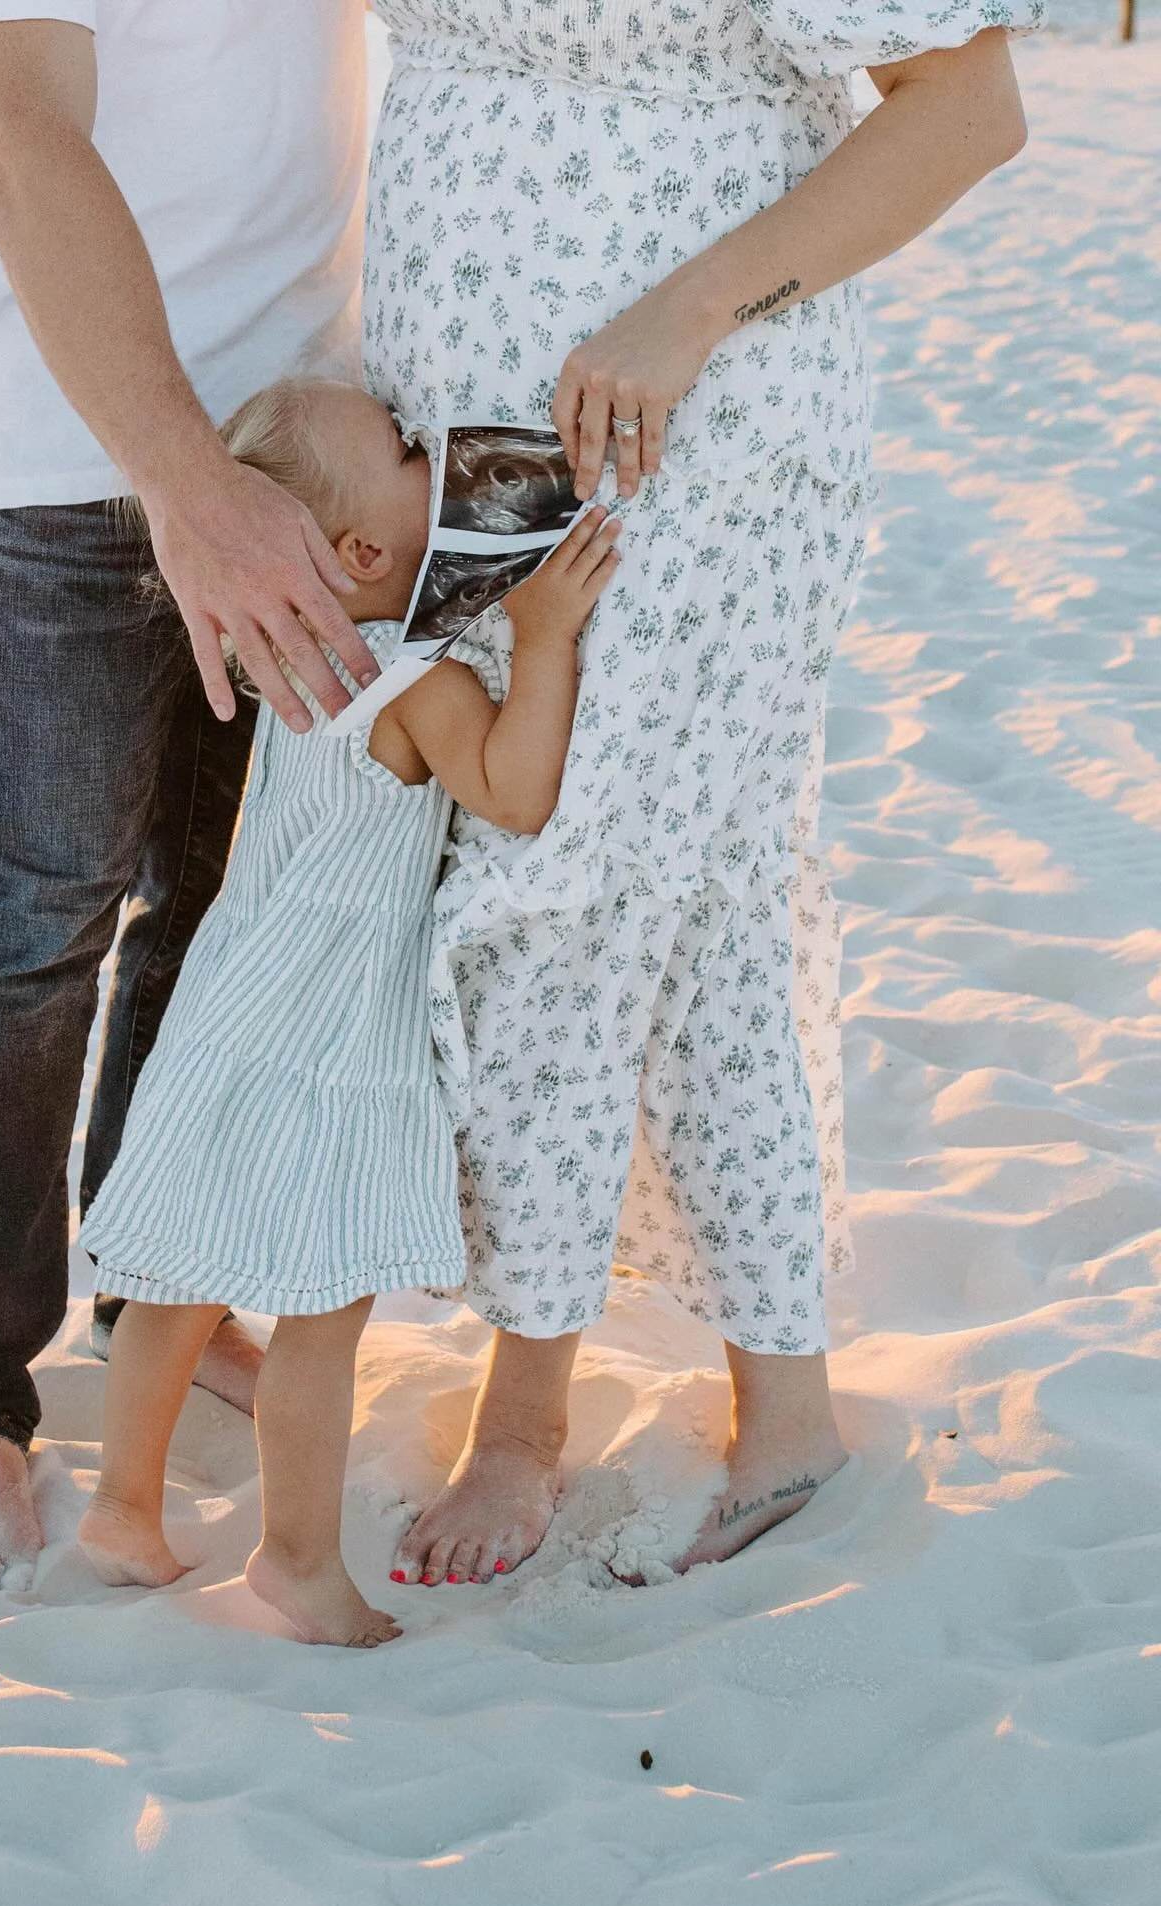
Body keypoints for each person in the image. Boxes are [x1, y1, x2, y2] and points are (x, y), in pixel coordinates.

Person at [362, 0, 1043, 1586]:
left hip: (687, 445)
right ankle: (774, 1400)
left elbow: (971, 109)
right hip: (465, 431)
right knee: (628, 879)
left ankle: (532, 1414)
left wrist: (691, 311)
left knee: (578, 884)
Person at [0, 0, 377, 1592]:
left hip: (299, 437)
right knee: (34, 922)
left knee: (219, 915)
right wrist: (187, 482)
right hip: (64, 452)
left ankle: (155, 1290)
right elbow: (15, 134)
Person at [74, 379, 622, 1647]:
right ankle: (298, 1562)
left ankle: (122, 1509)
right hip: (328, 1036)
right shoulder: (414, 682)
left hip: (231, 1009)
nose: (434, 452)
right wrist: (544, 634)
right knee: (322, 1319)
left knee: (178, 1280)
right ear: (367, 553)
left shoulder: (291, 659)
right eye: (408, 449)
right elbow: (515, 795)